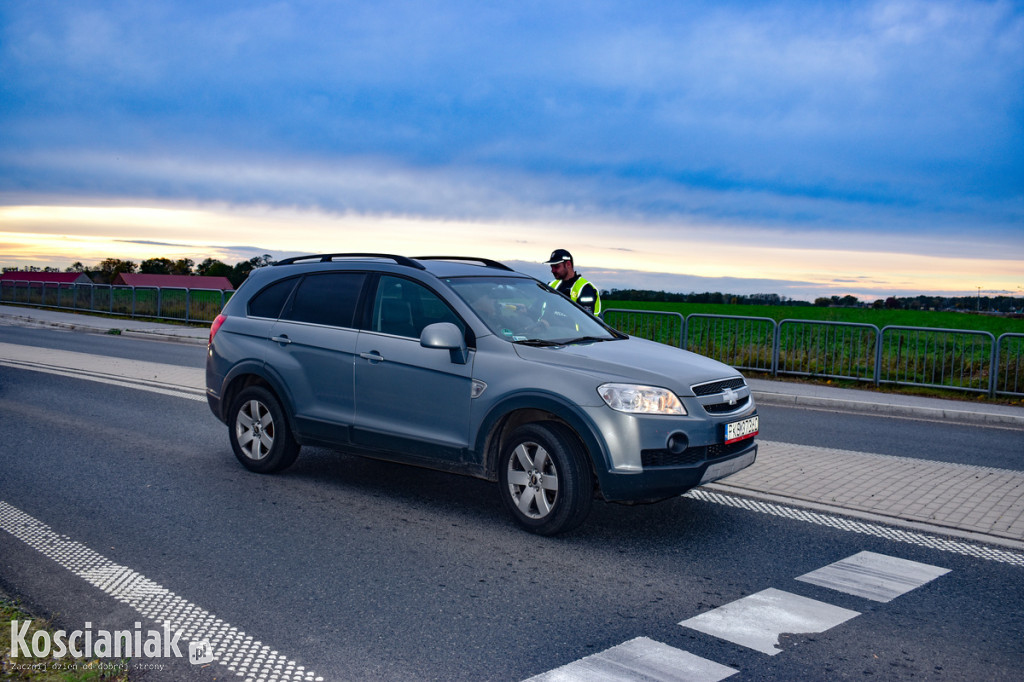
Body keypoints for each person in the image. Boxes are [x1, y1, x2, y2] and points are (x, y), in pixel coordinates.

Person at [544, 249, 602, 315]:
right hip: (552, 325)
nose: (552, 270)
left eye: (556, 267)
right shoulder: (552, 285)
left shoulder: (585, 288)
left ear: (568, 264)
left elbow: (585, 320)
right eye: (551, 267)